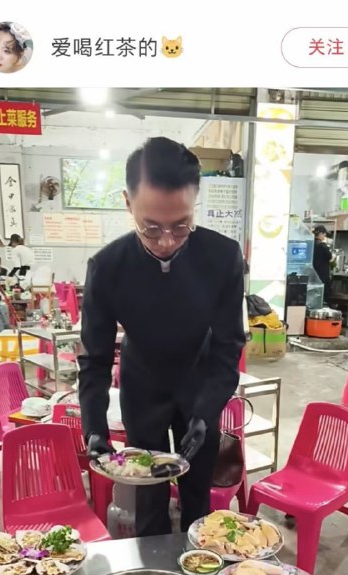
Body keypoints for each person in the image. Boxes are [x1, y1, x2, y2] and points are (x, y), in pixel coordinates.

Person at [79, 137, 245, 538]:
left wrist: (206, 411)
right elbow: (95, 359)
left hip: (199, 383)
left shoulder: (222, 257)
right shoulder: (107, 267)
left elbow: (229, 346)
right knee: (148, 500)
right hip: (142, 388)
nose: (167, 241)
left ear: (195, 202)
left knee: (198, 502)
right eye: (151, 228)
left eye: (181, 225)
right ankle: (152, 570)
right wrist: (94, 427)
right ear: (127, 203)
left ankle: (197, 565)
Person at [312, 225, 334, 305]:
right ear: (320, 233)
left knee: (314, 295)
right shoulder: (322, 245)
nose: (325, 235)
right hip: (322, 275)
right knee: (324, 295)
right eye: (324, 233)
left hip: (313, 274)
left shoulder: (311, 243)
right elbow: (330, 257)